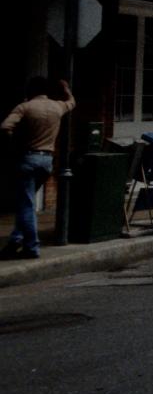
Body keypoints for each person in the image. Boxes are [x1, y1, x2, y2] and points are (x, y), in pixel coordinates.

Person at [0, 78, 75, 260]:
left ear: (30, 91)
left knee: (26, 204)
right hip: (47, 161)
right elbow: (72, 103)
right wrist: (66, 89)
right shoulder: (57, 107)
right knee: (28, 201)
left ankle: (32, 246)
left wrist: (14, 142)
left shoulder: (25, 107)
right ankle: (16, 239)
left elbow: (5, 127)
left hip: (28, 158)